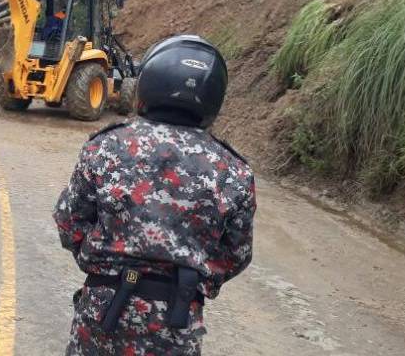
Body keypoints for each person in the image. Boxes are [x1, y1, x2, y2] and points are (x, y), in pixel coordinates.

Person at [54, 35, 256, 356]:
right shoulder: (234, 171)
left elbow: (70, 223)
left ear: (149, 83)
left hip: (103, 312)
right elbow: (236, 254)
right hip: (176, 322)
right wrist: (193, 276)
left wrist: (102, 262)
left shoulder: (105, 147)